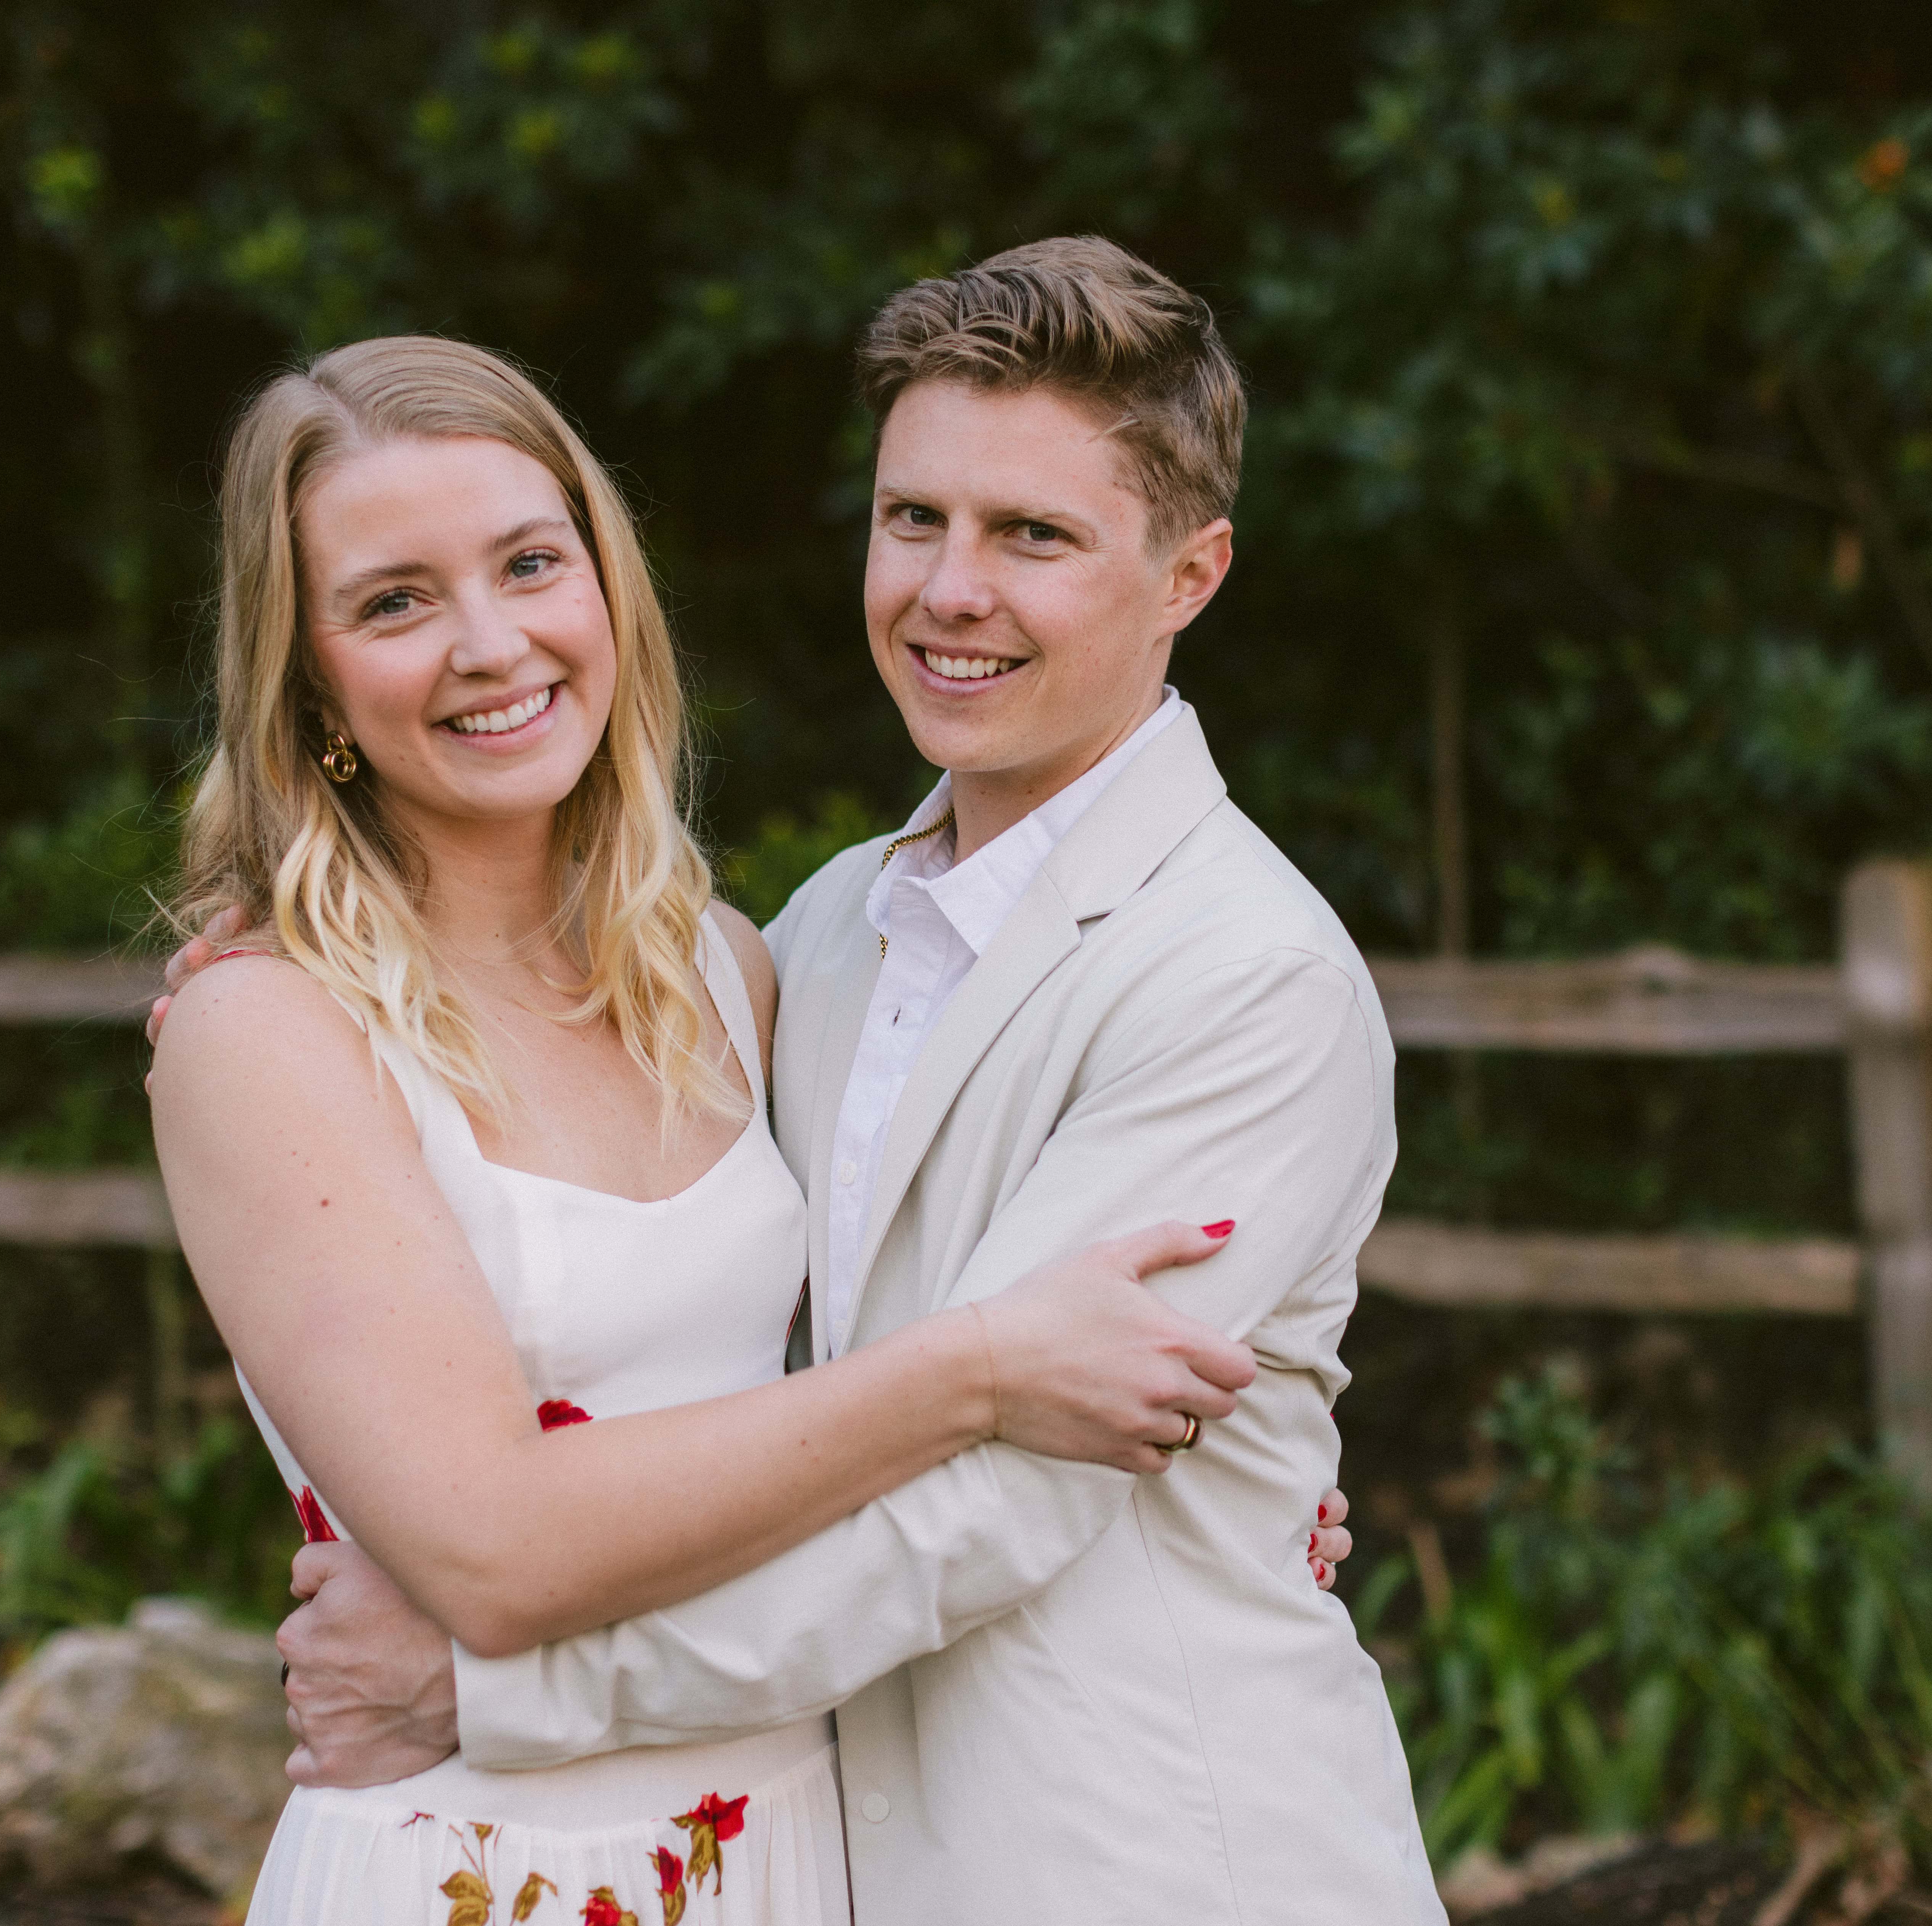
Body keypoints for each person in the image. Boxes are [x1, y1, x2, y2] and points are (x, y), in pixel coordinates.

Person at [203, 239, 1445, 1919]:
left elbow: (991, 1502)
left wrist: (496, 1684)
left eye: (1034, 536)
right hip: (804, 1853)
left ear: (1191, 574)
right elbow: (763, 1380)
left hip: (1148, 1865)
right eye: (914, 517)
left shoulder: (1246, 977)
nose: (951, 590)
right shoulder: (814, 937)